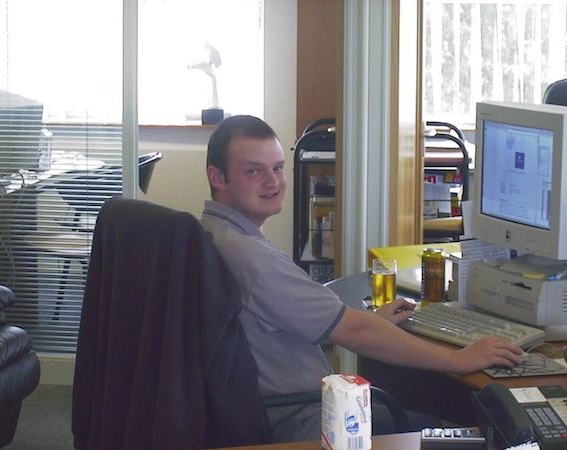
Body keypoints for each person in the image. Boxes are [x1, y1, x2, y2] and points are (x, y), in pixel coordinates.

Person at [200, 115, 524, 443]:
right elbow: (353, 331)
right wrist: (460, 357)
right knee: (468, 429)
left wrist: (368, 321)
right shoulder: (250, 256)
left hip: (271, 408)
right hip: (301, 418)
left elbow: (281, 327)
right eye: (254, 171)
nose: (274, 182)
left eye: (278, 168)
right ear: (219, 177)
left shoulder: (212, 235)